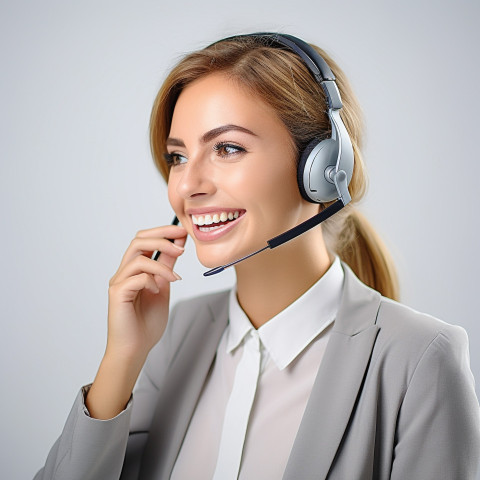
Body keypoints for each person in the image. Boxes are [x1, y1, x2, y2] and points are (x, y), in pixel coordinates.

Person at [35, 33, 479, 480]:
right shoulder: (169, 338)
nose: (187, 186)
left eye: (227, 148)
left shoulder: (421, 359)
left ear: (322, 169)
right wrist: (121, 360)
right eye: (178, 156)